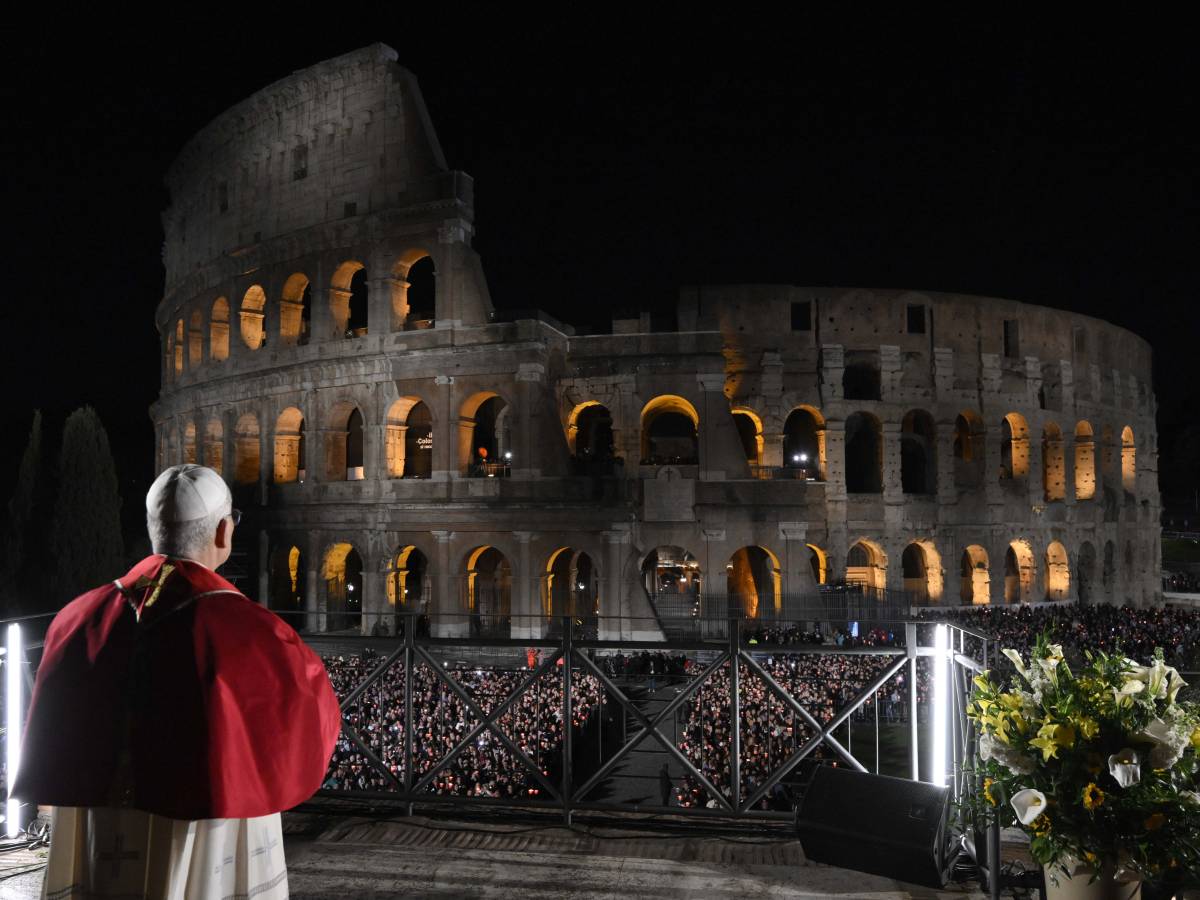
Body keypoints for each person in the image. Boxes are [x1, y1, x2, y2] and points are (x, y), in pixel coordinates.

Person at [14, 464, 341, 899]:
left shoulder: (78, 618)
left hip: (105, 824)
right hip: (207, 823)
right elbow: (313, 721)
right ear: (224, 532)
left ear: (154, 529)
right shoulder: (252, 631)